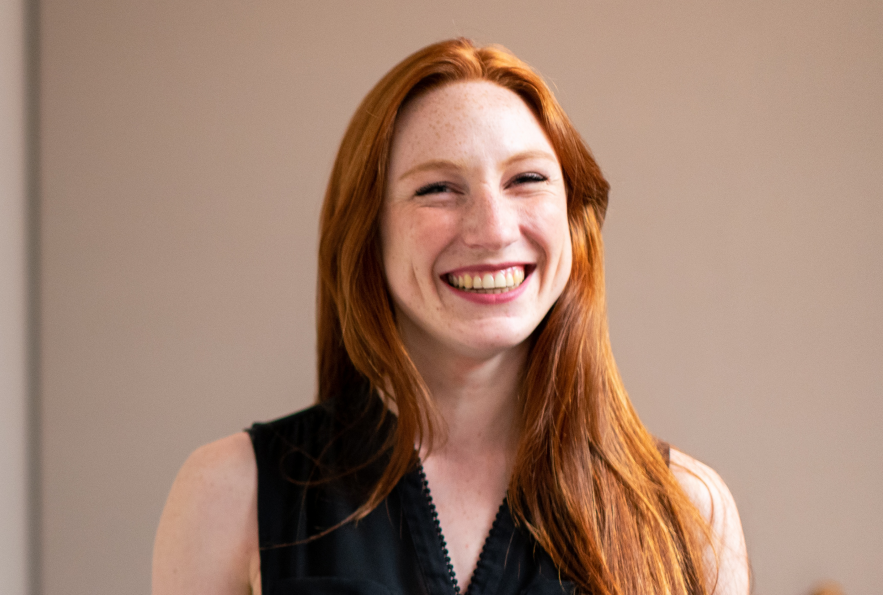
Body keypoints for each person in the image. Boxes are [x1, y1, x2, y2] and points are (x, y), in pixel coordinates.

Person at [153, 39, 750, 595]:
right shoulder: (233, 495)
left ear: (572, 220)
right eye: (438, 188)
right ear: (368, 233)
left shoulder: (687, 511)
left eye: (528, 179)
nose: (492, 229)